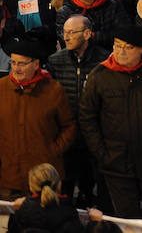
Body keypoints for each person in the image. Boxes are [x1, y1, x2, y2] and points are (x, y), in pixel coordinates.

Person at [80, 26, 142, 218]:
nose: (121, 52)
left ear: (141, 49)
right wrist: (102, 153)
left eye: (127, 47)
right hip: (116, 161)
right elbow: (87, 117)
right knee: (126, 219)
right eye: (117, 46)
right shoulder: (99, 75)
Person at [0, 34, 76, 199]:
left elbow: (69, 126)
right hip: (8, 177)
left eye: (22, 63)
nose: (16, 68)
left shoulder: (54, 90)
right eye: (13, 62)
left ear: (36, 65)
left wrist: (52, 151)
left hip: (44, 179)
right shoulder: (1, 87)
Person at [48, 14, 107, 203]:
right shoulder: (55, 61)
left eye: (72, 32)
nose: (66, 37)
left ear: (88, 34)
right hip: (67, 135)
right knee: (65, 186)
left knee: (94, 190)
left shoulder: (104, 61)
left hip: (96, 135)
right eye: (64, 32)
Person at [7, 163, 89, 233]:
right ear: (59, 184)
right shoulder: (68, 210)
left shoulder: (23, 209)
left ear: (31, 187)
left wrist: (15, 211)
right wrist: (94, 223)